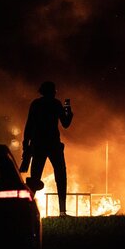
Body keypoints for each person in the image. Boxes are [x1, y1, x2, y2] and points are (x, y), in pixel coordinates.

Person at [22, 81, 73, 217]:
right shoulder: (56, 104)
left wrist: (26, 146)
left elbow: (29, 126)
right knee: (61, 176)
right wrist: (69, 112)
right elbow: (66, 124)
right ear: (52, 91)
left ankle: (28, 210)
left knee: (35, 178)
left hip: (38, 145)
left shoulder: (36, 104)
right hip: (53, 144)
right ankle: (62, 211)